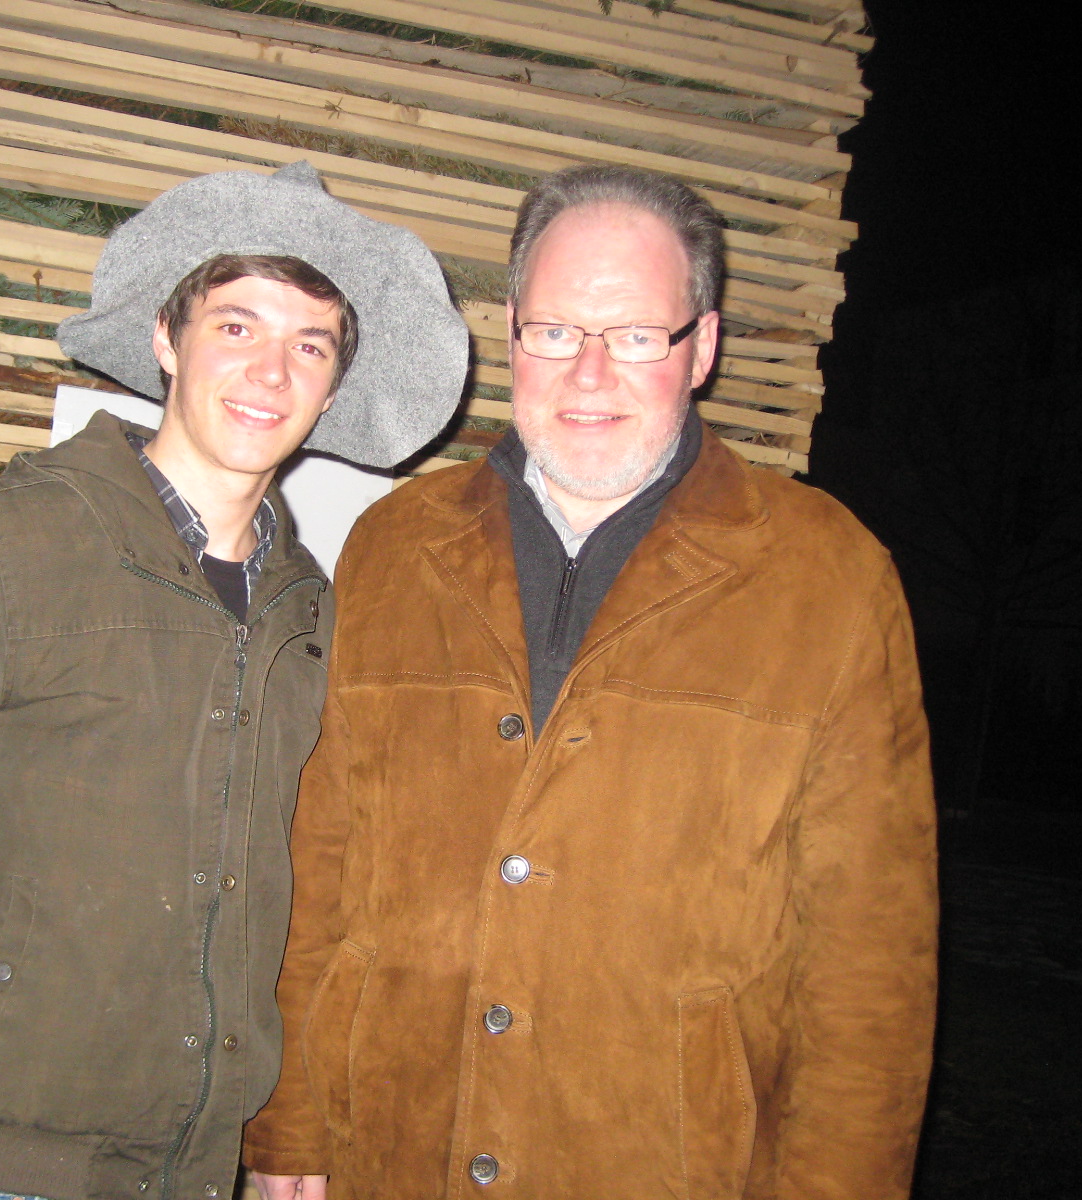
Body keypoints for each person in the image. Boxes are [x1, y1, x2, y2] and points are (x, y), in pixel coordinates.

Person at [0, 161, 468, 1200]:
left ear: (334, 386)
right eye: (237, 325)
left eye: (310, 344)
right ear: (166, 338)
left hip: (188, 1169)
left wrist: (280, 1129)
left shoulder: (310, 617)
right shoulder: (4, 544)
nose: (270, 372)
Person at [245, 164, 938, 1200]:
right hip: (388, 1149)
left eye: (636, 335)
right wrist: (288, 1123)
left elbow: (870, 968)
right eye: (557, 331)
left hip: (663, 1168)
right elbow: (319, 862)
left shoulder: (828, 577)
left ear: (701, 346)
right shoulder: (392, 547)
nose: (588, 373)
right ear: (512, 333)